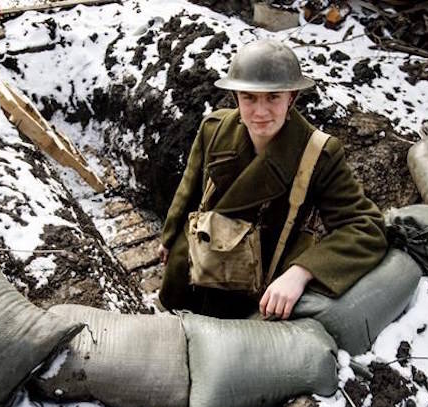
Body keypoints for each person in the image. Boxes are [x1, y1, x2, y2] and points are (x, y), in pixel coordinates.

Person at [157, 39, 387, 320]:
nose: (261, 112)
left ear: (292, 97)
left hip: (248, 294)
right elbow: (189, 189)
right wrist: (168, 239)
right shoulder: (214, 129)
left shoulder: (317, 154)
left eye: (273, 97)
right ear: (236, 97)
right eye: (250, 98)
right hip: (191, 271)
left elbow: (366, 228)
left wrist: (301, 272)